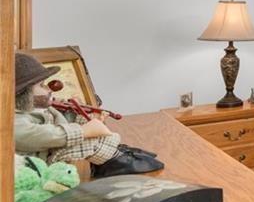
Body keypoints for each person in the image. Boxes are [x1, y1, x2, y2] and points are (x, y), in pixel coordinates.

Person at [13, 52, 162, 178]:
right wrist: (83, 131)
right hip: (35, 166)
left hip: (46, 154)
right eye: (41, 85)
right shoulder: (13, 121)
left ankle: (115, 151)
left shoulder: (36, 109)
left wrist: (81, 117)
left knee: (82, 122)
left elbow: (59, 119)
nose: (48, 88)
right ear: (22, 93)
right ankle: (112, 160)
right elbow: (40, 135)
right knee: (82, 141)